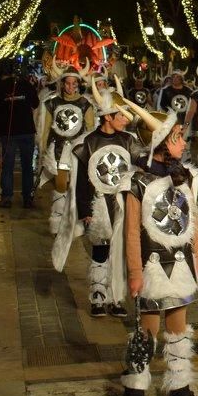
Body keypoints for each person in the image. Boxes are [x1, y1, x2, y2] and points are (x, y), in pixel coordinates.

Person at [118, 102, 198, 396]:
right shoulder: (138, 182)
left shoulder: (187, 177)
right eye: (178, 136)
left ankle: (179, 385)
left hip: (180, 265)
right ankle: (136, 383)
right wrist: (135, 272)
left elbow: (192, 222)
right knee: (148, 331)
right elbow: (130, 233)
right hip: (150, 266)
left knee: (179, 330)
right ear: (162, 143)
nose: (184, 141)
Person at [53, 77, 143, 319]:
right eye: (121, 115)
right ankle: (97, 295)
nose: (126, 119)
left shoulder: (129, 141)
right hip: (99, 204)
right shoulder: (88, 143)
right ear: (107, 116)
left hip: (123, 204)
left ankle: (115, 297)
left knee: (121, 251)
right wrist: (86, 210)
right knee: (101, 251)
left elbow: (141, 171)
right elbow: (82, 181)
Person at [38, 59, 94, 233]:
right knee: (61, 185)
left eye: (73, 83)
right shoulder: (52, 103)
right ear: (62, 84)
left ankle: (75, 220)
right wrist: (42, 149)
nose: (70, 87)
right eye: (67, 83)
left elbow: (90, 130)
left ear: (78, 84)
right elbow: (45, 128)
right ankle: (57, 220)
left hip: (78, 151)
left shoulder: (86, 104)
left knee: (77, 185)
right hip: (58, 150)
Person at [0, 60, 40, 209]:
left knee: (8, 165)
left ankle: (7, 197)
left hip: (9, 132)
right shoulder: (27, 86)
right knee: (27, 166)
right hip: (25, 131)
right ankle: (27, 198)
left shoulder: (0, 87)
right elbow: (36, 103)